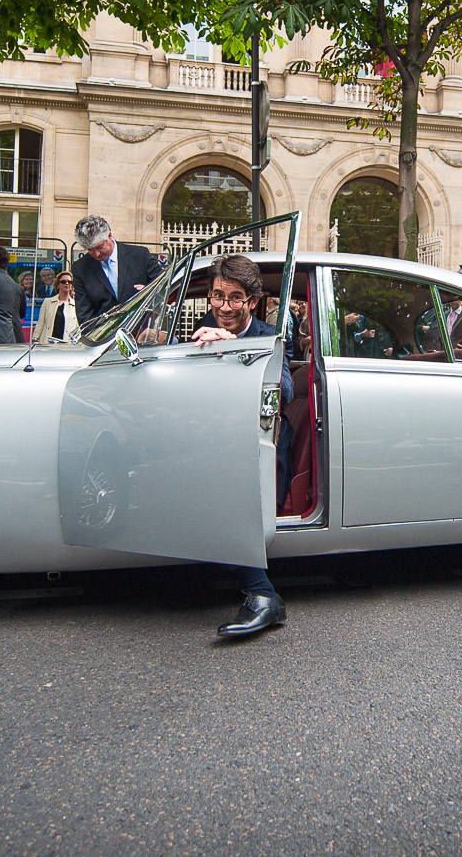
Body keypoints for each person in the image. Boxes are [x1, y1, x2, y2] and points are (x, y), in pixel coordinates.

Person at [189, 254, 292, 637]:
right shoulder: (202, 328)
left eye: (235, 298)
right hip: (214, 435)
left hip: (262, 439)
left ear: (251, 300)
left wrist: (233, 349)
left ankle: (263, 596)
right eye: (218, 296)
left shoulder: (268, 335)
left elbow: (284, 390)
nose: (224, 307)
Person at [71, 215, 162, 324]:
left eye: (100, 246)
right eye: (90, 249)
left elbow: (166, 285)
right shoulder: (81, 268)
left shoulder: (139, 256)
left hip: (142, 331)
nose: (96, 253)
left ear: (110, 236)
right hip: (103, 336)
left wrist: (150, 292)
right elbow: (85, 315)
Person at [32, 270, 79, 342]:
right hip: (48, 343)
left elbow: (77, 328)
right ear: (58, 285)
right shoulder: (47, 302)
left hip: (66, 345)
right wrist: (35, 338)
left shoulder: (76, 305)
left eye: (69, 282)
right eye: (63, 281)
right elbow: (41, 322)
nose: (66, 283)